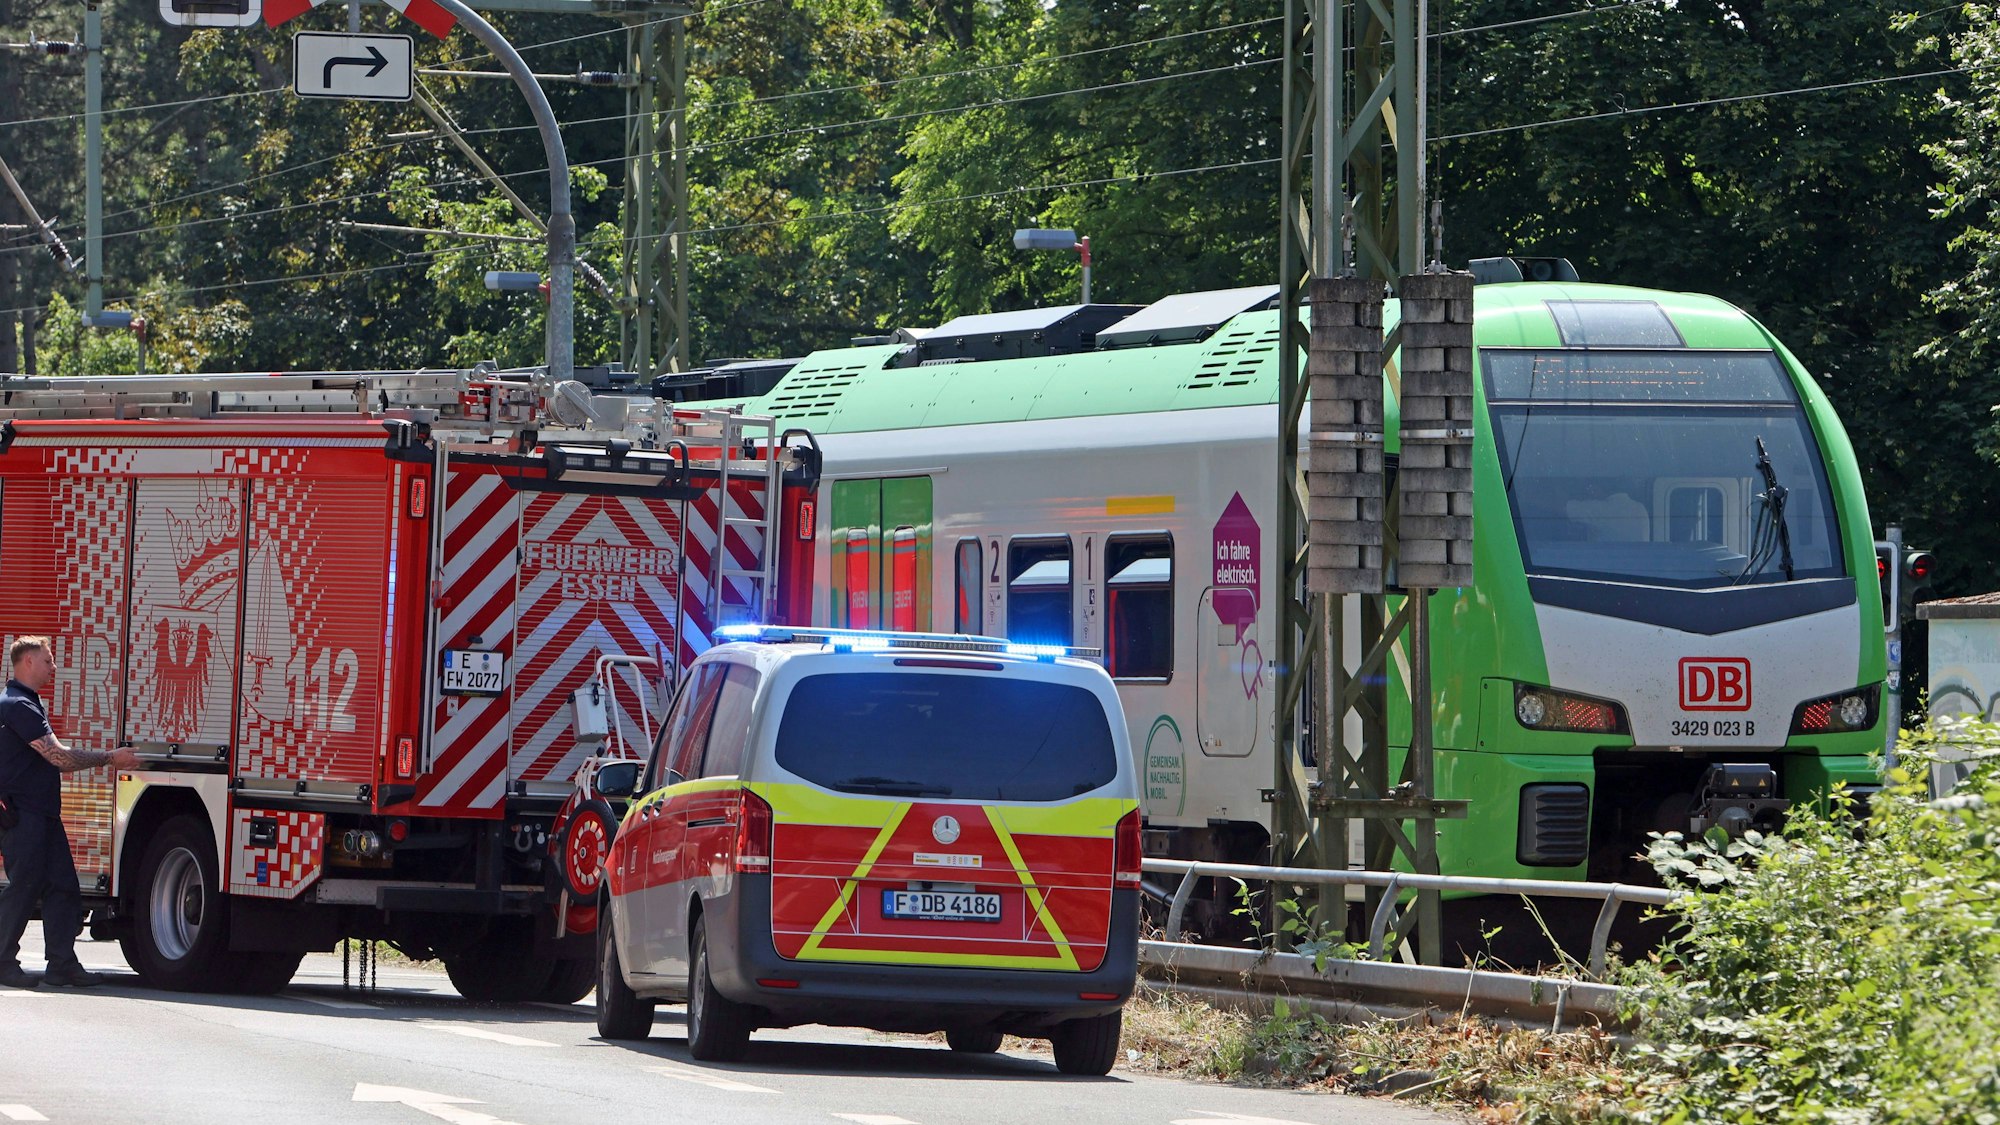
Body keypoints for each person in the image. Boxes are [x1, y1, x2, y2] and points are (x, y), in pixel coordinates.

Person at [0, 636, 140, 988]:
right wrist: (109, 758)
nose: (54, 667)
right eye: (48, 660)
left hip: (43, 814)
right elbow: (58, 757)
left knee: (63, 887)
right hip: (24, 815)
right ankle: (2, 962)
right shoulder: (17, 705)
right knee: (24, 887)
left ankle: (62, 964)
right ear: (28, 661)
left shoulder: (27, 703)